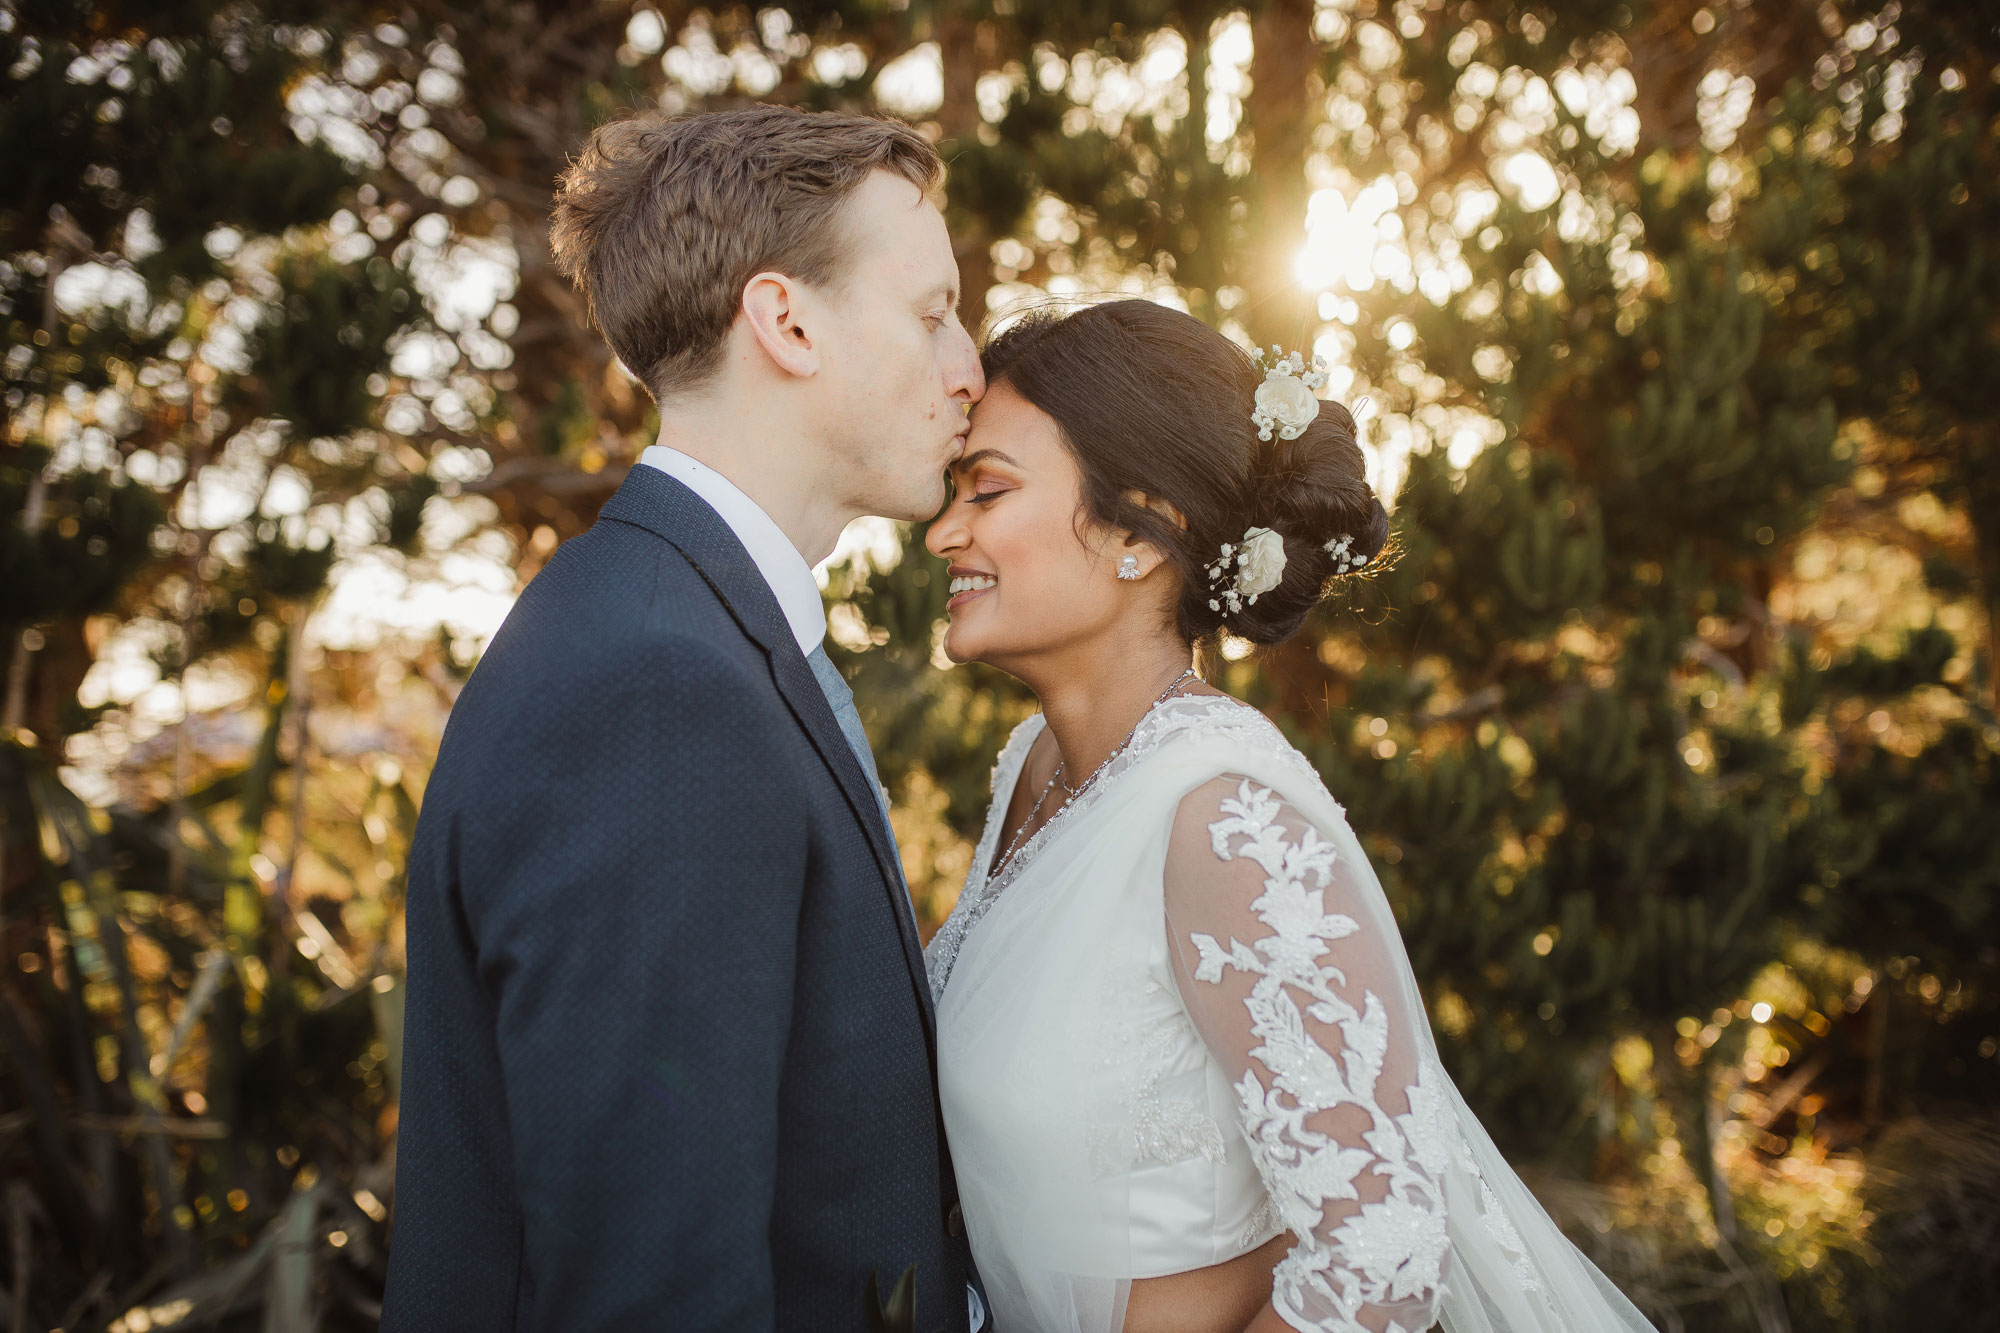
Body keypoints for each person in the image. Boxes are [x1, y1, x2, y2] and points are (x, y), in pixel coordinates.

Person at [923, 299, 1658, 1333]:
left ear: (1145, 530)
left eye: (986, 489)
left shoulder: (1220, 818)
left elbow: (1380, 1254)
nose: (940, 530)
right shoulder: (1034, 767)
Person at [382, 105, 985, 1331]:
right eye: (930, 314)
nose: (967, 365)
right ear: (787, 321)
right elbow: (648, 1278)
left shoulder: (687, 624)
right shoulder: (655, 689)